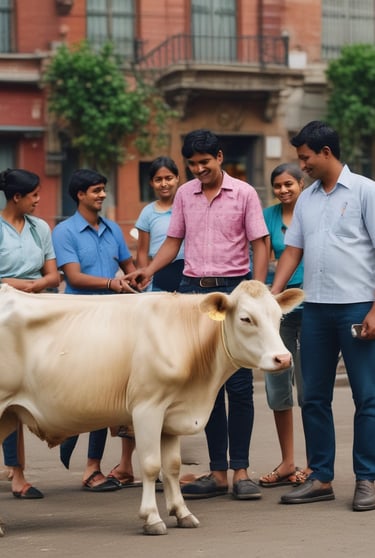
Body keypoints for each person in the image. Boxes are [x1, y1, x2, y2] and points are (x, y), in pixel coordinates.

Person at [126, 129, 269, 500]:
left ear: (220, 157)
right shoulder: (185, 195)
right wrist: (149, 270)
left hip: (234, 293)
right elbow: (173, 242)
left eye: (204, 163)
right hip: (194, 295)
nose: (198, 170)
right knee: (207, 387)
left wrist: (256, 292)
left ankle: (241, 471)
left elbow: (260, 243)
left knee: (238, 387)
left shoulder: (245, 193)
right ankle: (217, 473)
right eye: (192, 165)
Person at [271, 120, 375, 511]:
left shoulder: (366, 192)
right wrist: (274, 293)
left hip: (357, 308)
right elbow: (292, 250)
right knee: (313, 397)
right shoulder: (308, 199)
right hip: (313, 310)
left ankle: (367, 478)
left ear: (326, 153)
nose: (302, 166)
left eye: (305, 157)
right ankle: (320, 478)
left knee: (368, 398)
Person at [52, 168, 138, 492]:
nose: (102, 195)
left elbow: (130, 270)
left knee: (107, 393)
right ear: (80, 195)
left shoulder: (114, 229)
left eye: (103, 190)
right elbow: (73, 278)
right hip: (79, 319)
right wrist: (112, 283)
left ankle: (92, 469)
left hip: (115, 319)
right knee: (82, 391)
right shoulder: (64, 232)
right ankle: (68, 433)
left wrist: (138, 279)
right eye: (97, 190)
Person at [0, 168, 60, 499]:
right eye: (34, 195)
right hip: (5, 316)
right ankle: (18, 474)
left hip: (39, 311)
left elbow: (53, 276)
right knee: (9, 394)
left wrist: (32, 285)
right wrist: (31, 285)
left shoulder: (40, 228)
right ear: (16, 198)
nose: (39, 200)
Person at [258, 163, 306, 487]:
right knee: (277, 387)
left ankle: (316, 465)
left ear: (301, 184)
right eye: (277, 185)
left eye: (289, 184)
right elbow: (261, 256)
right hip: (279, 309)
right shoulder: (269, 216)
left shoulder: (313, 211)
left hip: (315, 307)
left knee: (311, 388)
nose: (283, 190)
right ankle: (288, 462)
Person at [135, 156, 184, 291]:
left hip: (187, 276)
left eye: (168, 178)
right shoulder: (148, 212)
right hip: (160, 276)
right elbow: (142, 252)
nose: (164, 184)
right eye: (158, 180)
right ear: (151, 182)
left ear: (177, 178)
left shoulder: (187, 207)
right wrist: (144, 277)